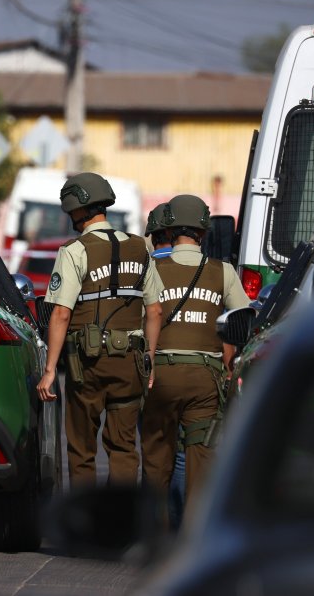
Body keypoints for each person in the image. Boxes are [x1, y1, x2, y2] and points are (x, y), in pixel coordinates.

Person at [36, 172, 162, 487]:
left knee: (81, 448)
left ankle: (86, 525)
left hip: (87, 365)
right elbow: (155, 309)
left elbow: (61, 313)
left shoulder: (74, 251)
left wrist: (50, 369)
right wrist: (150, 357)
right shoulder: (140, 247)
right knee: (123, 446)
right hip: (130, 363)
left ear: (78, 208)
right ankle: (119, 526)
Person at [140, 195, 249, 521]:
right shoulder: (223, 271)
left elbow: (143, 319)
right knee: (201, 461)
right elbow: (241, 320)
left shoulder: (152, 268)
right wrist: (229, 365)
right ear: (203, 231)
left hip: (160, 375)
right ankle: (194, 538)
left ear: (169, 229)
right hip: (205, 378)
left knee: (157, 458)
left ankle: (154, 535)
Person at [144, 203, 184, 531]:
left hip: (154, 372)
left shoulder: (145, 267)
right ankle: (181, 524)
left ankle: (154, 524)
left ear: (154, 236)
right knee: (184, 453)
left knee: (155, 449)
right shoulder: (214, 268)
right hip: (198, 371)